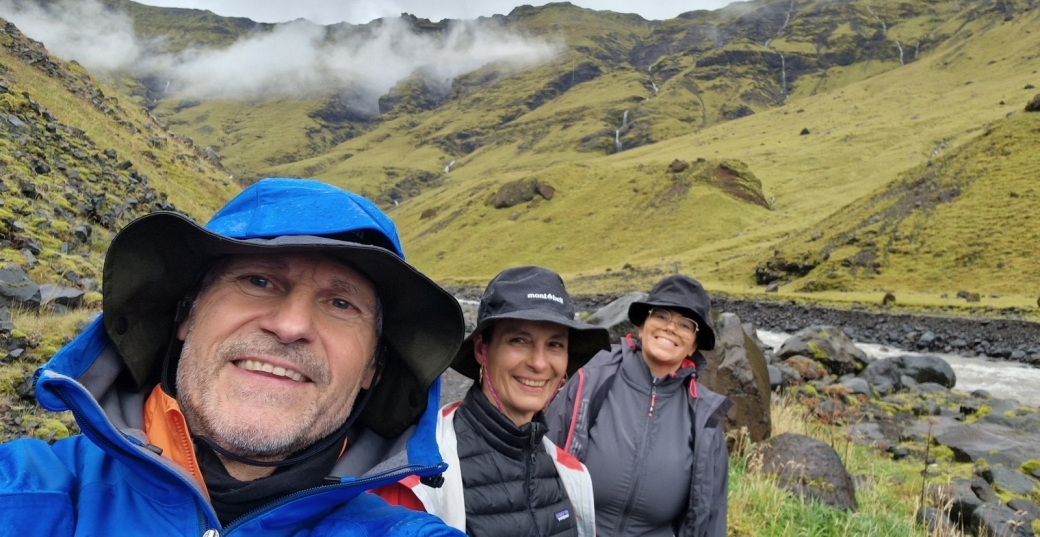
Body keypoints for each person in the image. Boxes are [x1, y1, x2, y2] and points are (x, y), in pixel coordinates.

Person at [0, 178, 468, 536]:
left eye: (341, 304)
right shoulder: (23, 494)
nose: (290, 326)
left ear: (373, 369)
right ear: (186, 315)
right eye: (259, 281)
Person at [402, 266, 610, 537]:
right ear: (481, 349)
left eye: (555, 344)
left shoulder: (573, 475)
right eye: (519, 340)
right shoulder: (422, 470)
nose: (538, 363)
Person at [546, 275, 734, 537]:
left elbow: (712, 516)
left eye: (685, 324)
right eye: (661, 316)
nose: (670, 328)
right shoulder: (592, 378)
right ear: (643, 326)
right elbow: (543, 463)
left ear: (694, 345)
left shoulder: (705, 417)